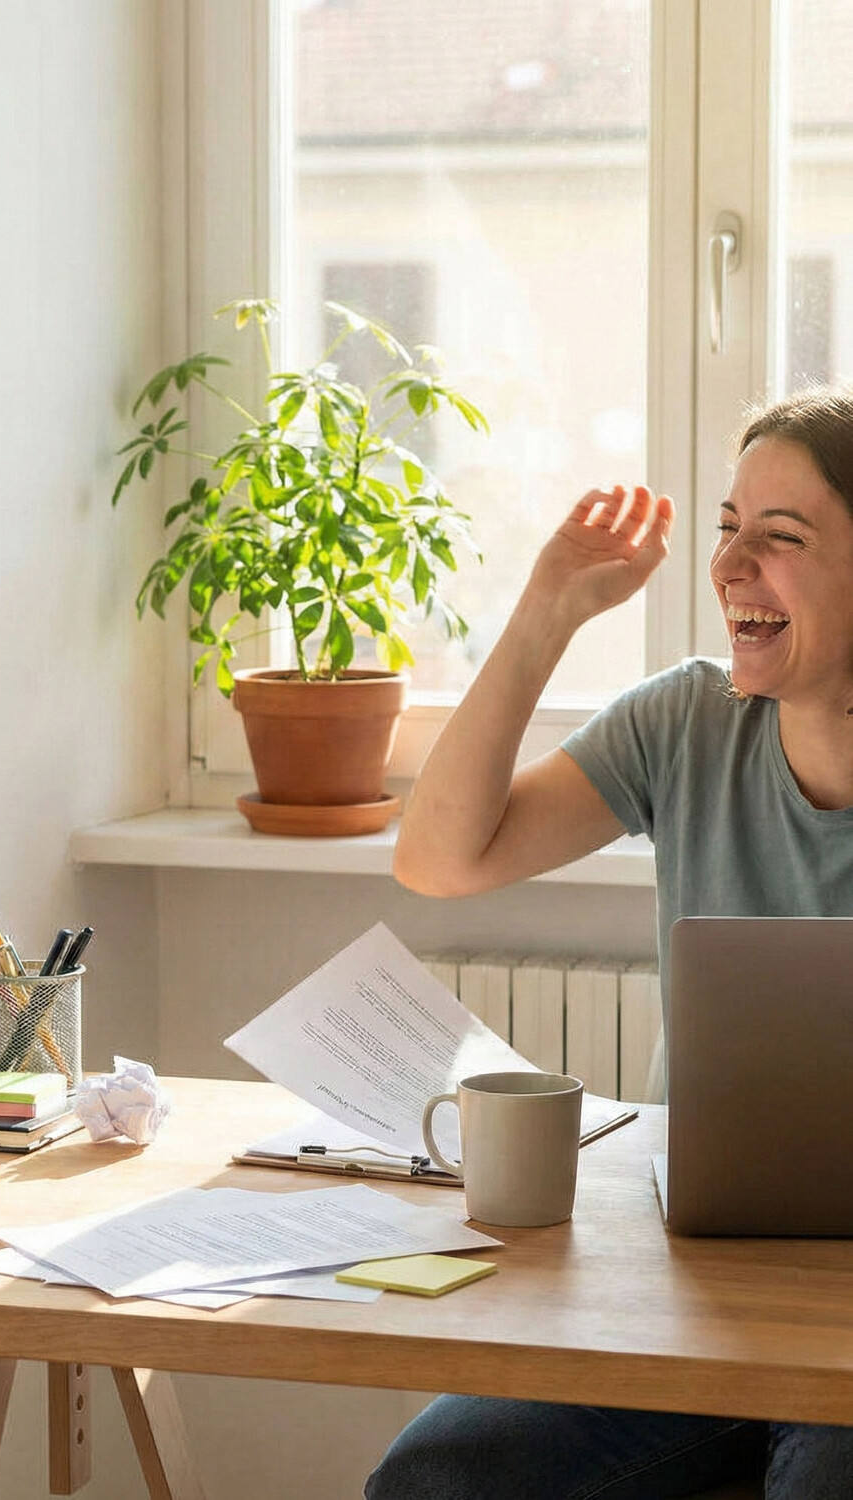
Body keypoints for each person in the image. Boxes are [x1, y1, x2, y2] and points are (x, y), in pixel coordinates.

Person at [374, 385, 853, 1500]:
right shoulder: (685, 724)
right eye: (730, 529)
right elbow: (438, 859)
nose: (732, 566)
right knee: (438, 1477)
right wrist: (548, 607)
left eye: (781, 539)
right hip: (688, 1291)